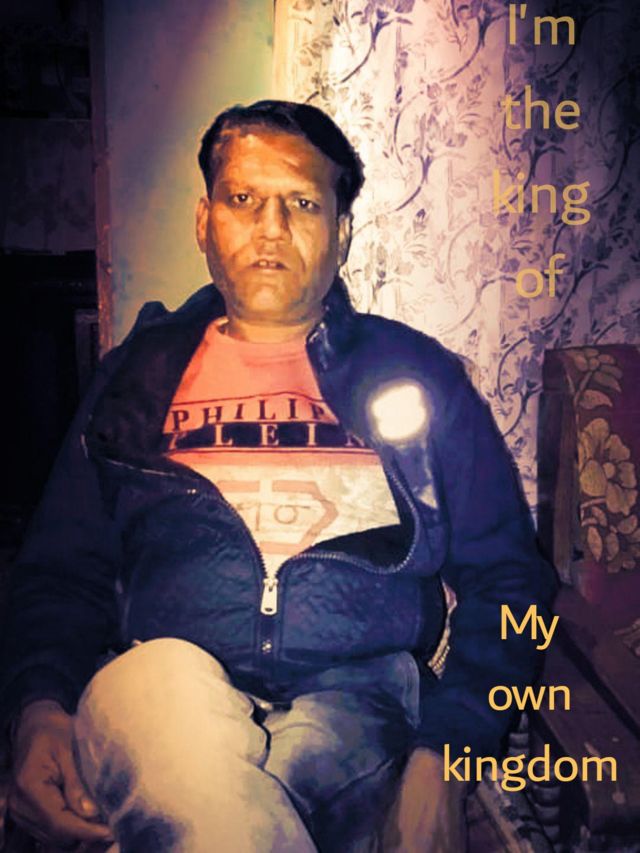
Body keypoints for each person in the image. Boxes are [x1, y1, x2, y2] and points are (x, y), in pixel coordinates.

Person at [0, 101, 556, 852]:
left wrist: (447, 756)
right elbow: (59, 573)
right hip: (156, 692)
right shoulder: (133, 378)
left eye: (301, 203)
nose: (270, 228)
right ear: (204, 222)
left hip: (360, 708)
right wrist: (38, 704)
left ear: (342, 233)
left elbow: (513, 584)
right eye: (242, 198)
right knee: (157, 684)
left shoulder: (419, 377)